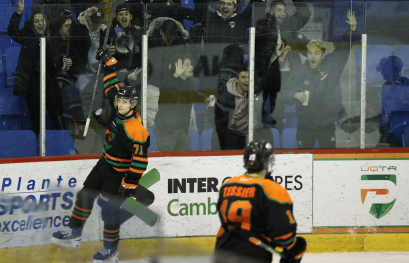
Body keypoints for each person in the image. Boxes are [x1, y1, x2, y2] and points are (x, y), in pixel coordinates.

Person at [51, 48, 150, 262]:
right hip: (104, 163)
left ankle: (111, 252)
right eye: (120, 101)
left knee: (109, 213)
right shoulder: (118, 104)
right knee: (84, 195)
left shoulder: (136, 129)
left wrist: (130, 183)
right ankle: (74, 234)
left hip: (118, 172)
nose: (120, 104)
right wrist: (109, 65)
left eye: (125, 102)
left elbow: (140, 162)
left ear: (134, 105)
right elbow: (111, 86)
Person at [214, 140, 307, 263]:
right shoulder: (272, 189)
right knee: (300, 245)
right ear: (269, 162)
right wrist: (294, 249)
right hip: (254, 253)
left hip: (222, 249)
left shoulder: (227, 185)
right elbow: (284, 236)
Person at [286, 10, 357, 149]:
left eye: (316, 53)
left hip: (327, 125)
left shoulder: (333, 65)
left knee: (330, 158)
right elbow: (285, 92)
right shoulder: (300, 71)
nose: (312, 56)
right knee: (303, 159)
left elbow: (343, 47)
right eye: (310, 53)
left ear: (323, 55)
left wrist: (352, 29)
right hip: (305, 126)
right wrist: (294, 94)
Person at [8, 0, 64, 137]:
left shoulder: (53, 37)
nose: (40, 24)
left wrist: (63, 61)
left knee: (57, 117)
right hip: (31, 84)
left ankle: (58, 146)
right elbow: (12, 31)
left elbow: (58, 58)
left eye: (42, 20)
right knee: (36, 119)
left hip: (50, 83)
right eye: (36, 21)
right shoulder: (27, 35)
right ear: (32, 24)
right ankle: (36, 147)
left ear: (46, 22)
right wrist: (19, 12)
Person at [259, 0, 311, 129]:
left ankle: (304, 134)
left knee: (301, 102)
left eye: (284, 10)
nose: (283, 13)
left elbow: (305, 14)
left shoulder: (290, 24)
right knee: (275, 109)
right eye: (279, 10)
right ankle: (273, 138)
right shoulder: (263, 25)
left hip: (291, 72)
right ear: (271, 12)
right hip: (273, 74)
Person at [154, 55, 211, 151]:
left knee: (184, 159)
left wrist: (205, 99)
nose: (192, 67)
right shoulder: (169, 81)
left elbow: (192, 95)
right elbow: (167, 90)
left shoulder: (188, 82)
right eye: (187, 65)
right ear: (177, 67)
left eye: (191, 64)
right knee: (168, 161)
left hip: (182, 130)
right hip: (166, 132)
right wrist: (175, 75)